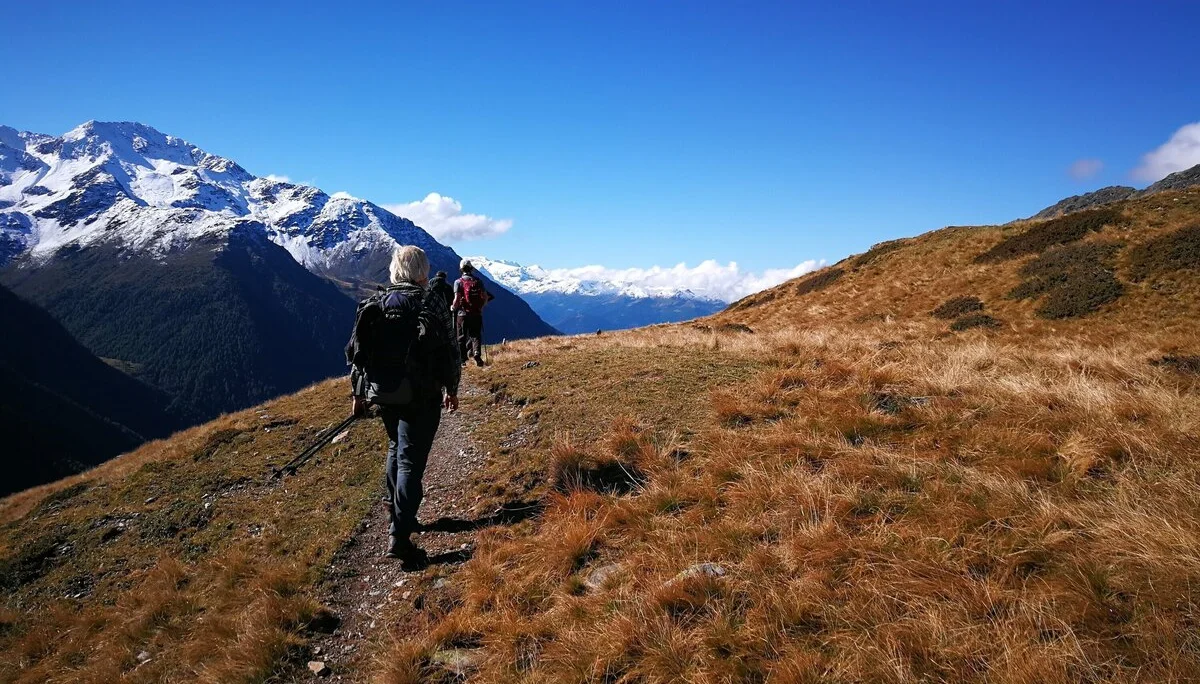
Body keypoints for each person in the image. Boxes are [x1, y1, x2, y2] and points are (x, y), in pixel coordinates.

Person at [346, 246, 460, 567]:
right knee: (411, 459)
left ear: (395, 270)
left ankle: (398, 516)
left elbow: (356, 354)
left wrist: (358, 395)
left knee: (395, 448)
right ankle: (400, 535)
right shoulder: (430, 302)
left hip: (384, 393)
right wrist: (451, 388)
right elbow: (450, 351)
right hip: (421, 395)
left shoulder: (375, 302)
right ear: (423, 271)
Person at [451, 259, 494, 367]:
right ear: (471, 269)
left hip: (462, 314)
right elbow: (485, 296)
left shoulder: (458, 282)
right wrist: (481, 306)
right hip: (476, 313)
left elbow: (457, 299)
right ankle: (477, 354)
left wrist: (453, 307)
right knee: (475, 335)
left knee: (461, 336)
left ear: (461, 269)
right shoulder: (478, 281)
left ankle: (462, 360)